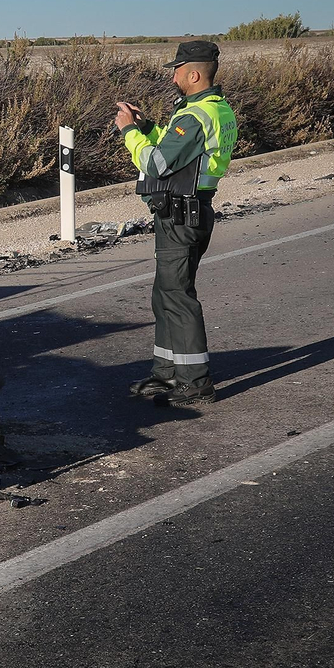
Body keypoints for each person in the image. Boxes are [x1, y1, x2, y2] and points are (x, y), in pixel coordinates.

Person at [113, 39, 238, 405]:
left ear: (194, 74)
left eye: (178, 71)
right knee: (165, 294)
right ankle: (167, 372)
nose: (173, 77)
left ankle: (194, 381)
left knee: (177, 297)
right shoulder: (212, 109)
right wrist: (147, 126)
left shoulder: (195, 116)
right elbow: (176, 149)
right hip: (189, 211)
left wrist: (128, 131)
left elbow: (157, 163)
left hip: (182, 214)